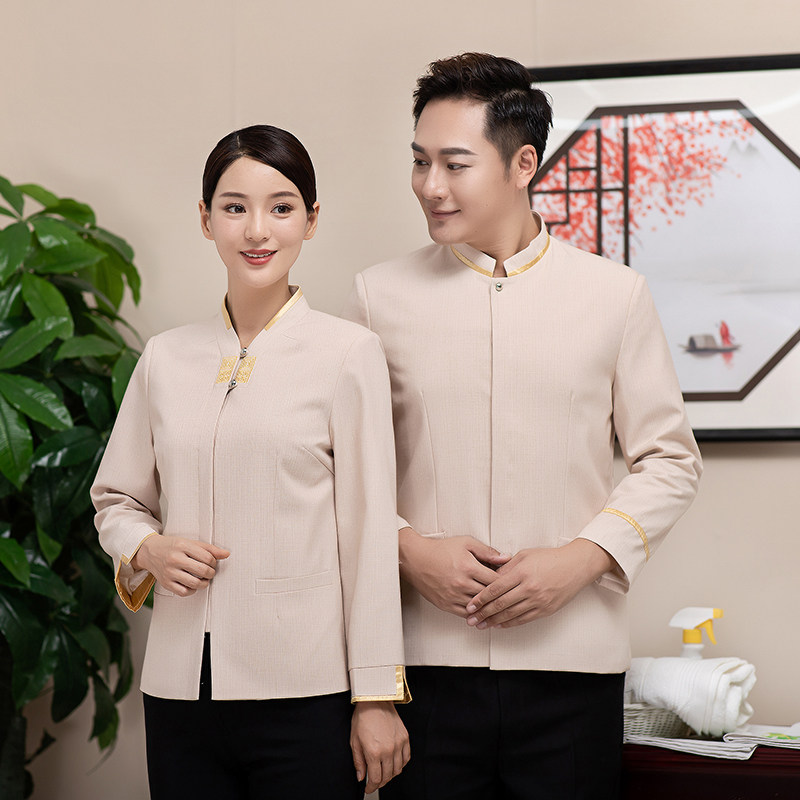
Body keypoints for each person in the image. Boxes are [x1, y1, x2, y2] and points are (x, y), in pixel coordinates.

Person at [342, 53, 702, 799]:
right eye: (420, 161)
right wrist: (411, 551)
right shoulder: (378, 297)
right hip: (424, 667)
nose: (430, 185)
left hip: (573, 669)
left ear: (523, 164)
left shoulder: (614, 295)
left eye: (454, 164)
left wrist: (582, 558)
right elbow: (342, 469)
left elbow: (670, 459)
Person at [91, 125, 410, 800]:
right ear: (205, 219)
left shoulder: (348, 354)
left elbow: (369, 534)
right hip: (180, 693)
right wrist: (147, 548)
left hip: (307, 692)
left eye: (281, 207)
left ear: (311, 220)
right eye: (234, 207)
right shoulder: (165, 358)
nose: (257, 229)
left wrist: (376, 697)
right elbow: (116, 499)